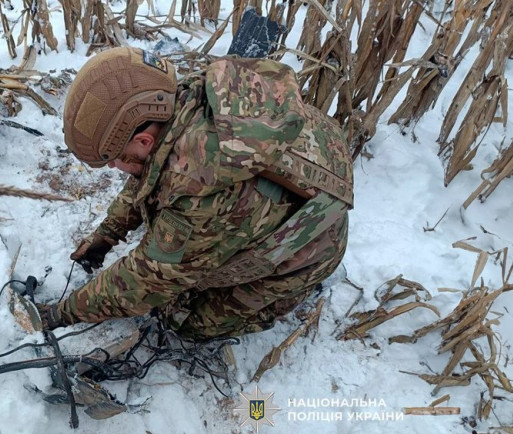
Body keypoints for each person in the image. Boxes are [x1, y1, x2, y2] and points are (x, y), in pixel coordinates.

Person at [42, 46, 353, 341]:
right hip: (308, 172)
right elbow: (146, 177)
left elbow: (143, 283)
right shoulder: (185, 101)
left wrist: (62, 314)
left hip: (313, 244)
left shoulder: (199, 189)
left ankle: (289, 294)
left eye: (114, 159)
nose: (113, 166)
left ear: (144, 141)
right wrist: (108, 234)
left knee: (186, 321)